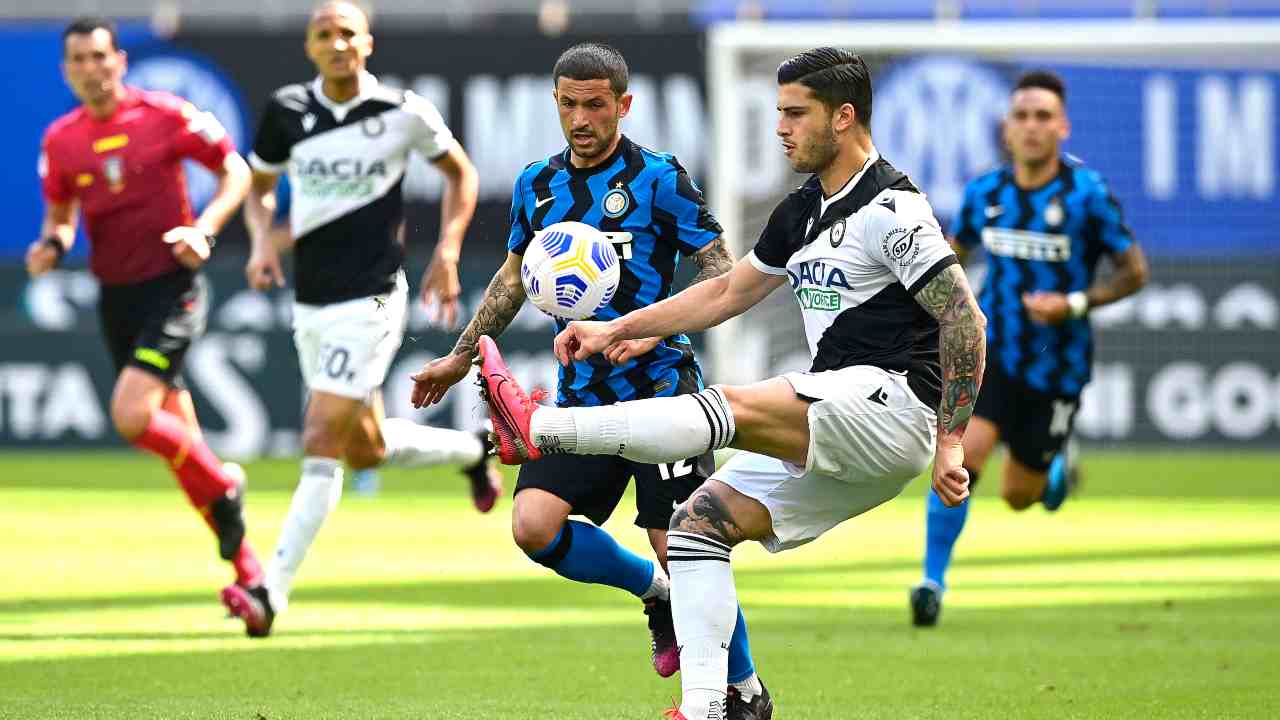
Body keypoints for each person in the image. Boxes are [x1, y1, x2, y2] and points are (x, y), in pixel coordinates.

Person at [470, 47, 987, 720]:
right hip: (838, 413)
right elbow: (726, 293)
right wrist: (613, 327)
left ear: (844, 116)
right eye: (780, 113)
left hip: (891, 407)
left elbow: (963, 317)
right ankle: (721, 703)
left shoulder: (892, 209)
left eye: (796, 114)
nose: (781, 128)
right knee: (694, 528)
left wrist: (952, 441)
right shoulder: (801, 211)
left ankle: (538, 427)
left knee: (732, 405)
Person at [410, 42, 769, 719]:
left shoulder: (660, 178)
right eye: (569, 103)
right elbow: (515, 276)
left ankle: (744, 691)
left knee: (689, 543)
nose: (581, 118)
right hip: (582, 404)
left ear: (623, 106)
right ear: (555, 102)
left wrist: (655, 330)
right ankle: (652, 593)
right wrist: (460, 356)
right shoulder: (536, 185)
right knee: (533, 525)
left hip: (664, 396)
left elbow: (721, 272)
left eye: (596, 105)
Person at [219, 0, 499, 637]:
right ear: (310, 47)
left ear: (366, 43)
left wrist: (448, 250)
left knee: (320, 438)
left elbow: (461, 174)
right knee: (364, 449)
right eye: (325, 34)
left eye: (347, 32)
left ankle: (269, 593)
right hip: (311, 301)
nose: (337, 43)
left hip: (372, 298)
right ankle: (472, 449)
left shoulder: (401, 112)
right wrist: (262, 240)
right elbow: (258, 186)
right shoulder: (287, 111)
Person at [30, 17, 262, 603]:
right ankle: (251, 576)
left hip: (171, 286)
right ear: (67, 71)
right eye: (78, 60)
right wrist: (52, 245)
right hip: (116, 296)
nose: (91, 69)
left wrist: (205, 229)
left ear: (120, 61)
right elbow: (60, 215)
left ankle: (225, 483)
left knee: (132, 417)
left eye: (99, 57)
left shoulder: (166, 115)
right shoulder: (62, 139)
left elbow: (235, 170)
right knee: (182, 449)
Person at [908, 70, 1150, 626]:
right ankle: (930, 582)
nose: (1032, 126)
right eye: (1022, 115)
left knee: (1020, 494)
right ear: (1007, 128)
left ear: (1062, 127)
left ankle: (1056, 473)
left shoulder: (1086, 194)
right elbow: (953, 255)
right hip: (992, 353)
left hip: (1058, 365)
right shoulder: (985, 193)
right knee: (962, 460)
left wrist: (1074, 304)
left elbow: (1134, 271)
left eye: (1044, 116)